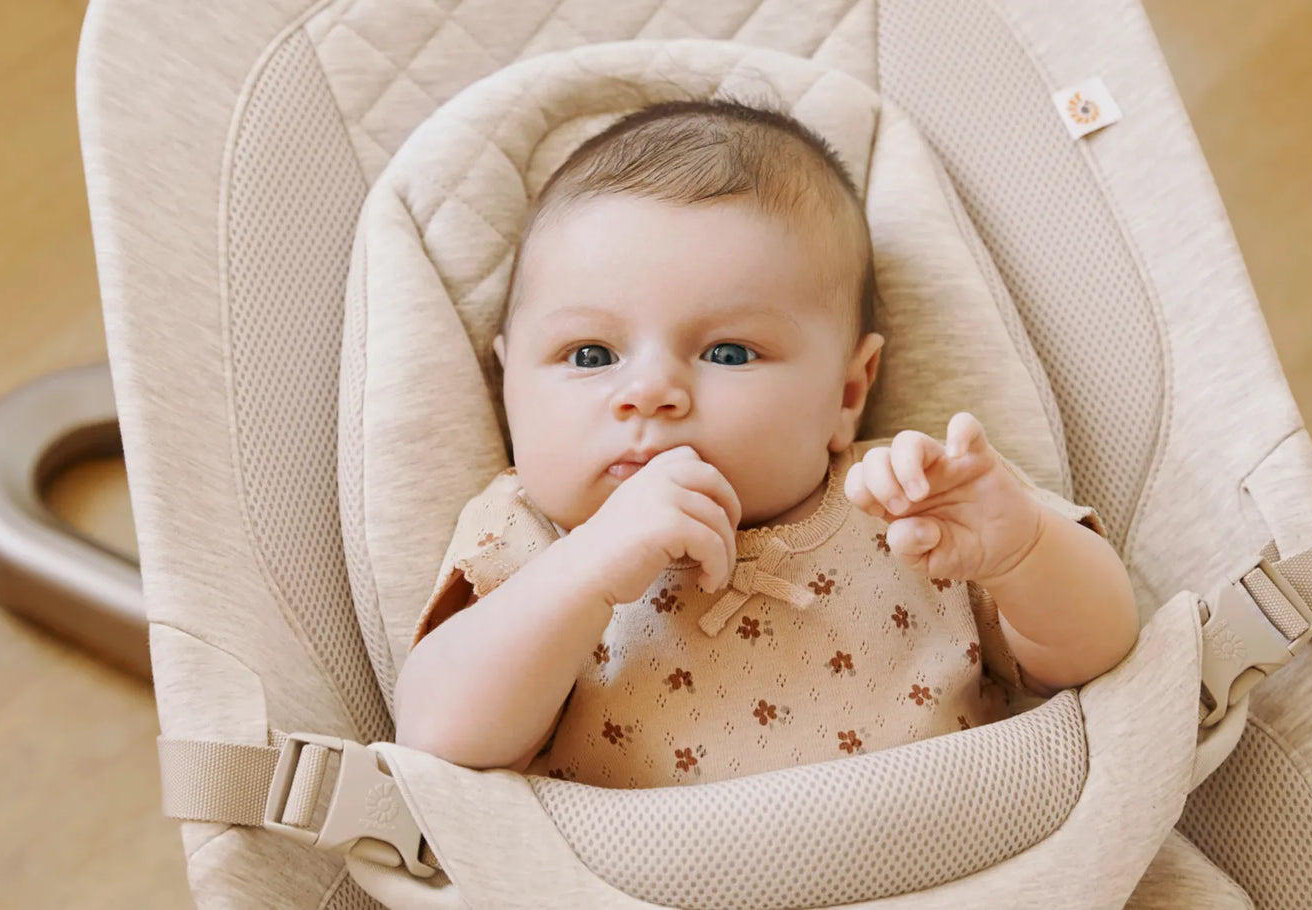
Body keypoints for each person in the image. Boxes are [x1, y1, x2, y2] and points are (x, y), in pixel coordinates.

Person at [393, 99, 1137, 788]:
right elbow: (437, 738)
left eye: (728, 352)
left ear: (848, 393)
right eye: (590, 355)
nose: (651, 391)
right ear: (509, 388)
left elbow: (1098, 656)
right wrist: (587, 570)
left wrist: (1022, 552)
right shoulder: (527, 541)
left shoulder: (908, 501)